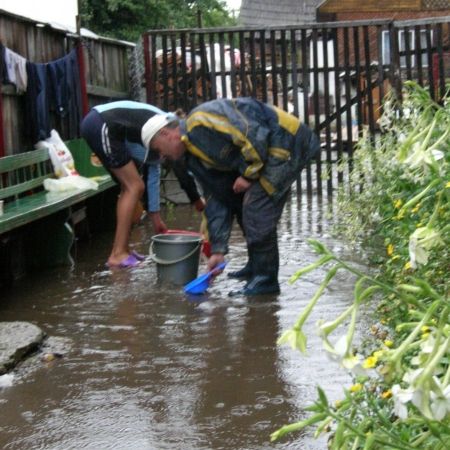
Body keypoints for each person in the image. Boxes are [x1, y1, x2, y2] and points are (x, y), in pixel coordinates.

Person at [141, 97, 320, 295]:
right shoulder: (192, 159)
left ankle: (266, 281)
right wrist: (218, 250)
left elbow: (251, 133)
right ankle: (256, 267)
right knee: (240, 203)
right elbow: (219, 198)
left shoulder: (199, 121)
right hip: (268, 151)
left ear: (166, 134)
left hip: (287, 141)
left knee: (256, 208)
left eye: (158, 150)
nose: (162, 157)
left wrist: (247, 174)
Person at [80, 100, 169, 268]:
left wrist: (154, 215)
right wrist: (155, 215)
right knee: (135, 187)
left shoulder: (163, 129)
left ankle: (124, 250)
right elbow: (153, 170)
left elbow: (151, 168)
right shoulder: (161, 128)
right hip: (101, 123)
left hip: (104, 126)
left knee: (129, 188)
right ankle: (117, 254)